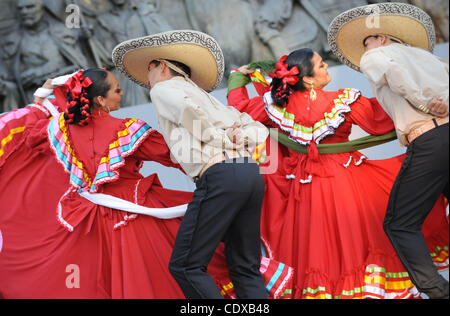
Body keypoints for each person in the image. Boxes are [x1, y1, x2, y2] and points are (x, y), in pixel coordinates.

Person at [0, 68, 292, 299]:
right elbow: (172, 154)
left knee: (99, 281)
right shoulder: (126, 129)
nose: (122, 92)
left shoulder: (57, 130)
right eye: (116, 89)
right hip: (137, 216)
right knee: (186, 266)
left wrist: (41, 101)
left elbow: (28, 135)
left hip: (92, 225)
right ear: (100, 100)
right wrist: (221, 151)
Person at [226, 47, 449, 299]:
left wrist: (237, 78)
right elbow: (382, 120)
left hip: (305, 187)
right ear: (308, 79)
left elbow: (240, 107)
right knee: (363, 240)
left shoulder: (274, 106)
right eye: (321, 65)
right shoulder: (342, 100)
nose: (326, 67)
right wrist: (426, 107)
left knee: (318, 251)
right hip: (346, 180)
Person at [113, 30, 271, 299]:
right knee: (245, 267)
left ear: (161, 66)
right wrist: (237, 138)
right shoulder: (206, 97)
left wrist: (222, 139)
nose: (147, 79)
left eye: (149, 69)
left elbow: (191, 116)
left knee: (186, 265)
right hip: (249, 173)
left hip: (221, 175)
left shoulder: (163, 89)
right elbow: (259, 131)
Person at [328, 2, 449, 299]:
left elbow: (396, 75)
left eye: (366, 41)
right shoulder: (426, 57)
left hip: (429, 139)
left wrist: (423, 103)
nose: (363, 50)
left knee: (399, 223)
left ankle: (437, 291)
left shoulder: (377, 55)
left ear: (381, 38)